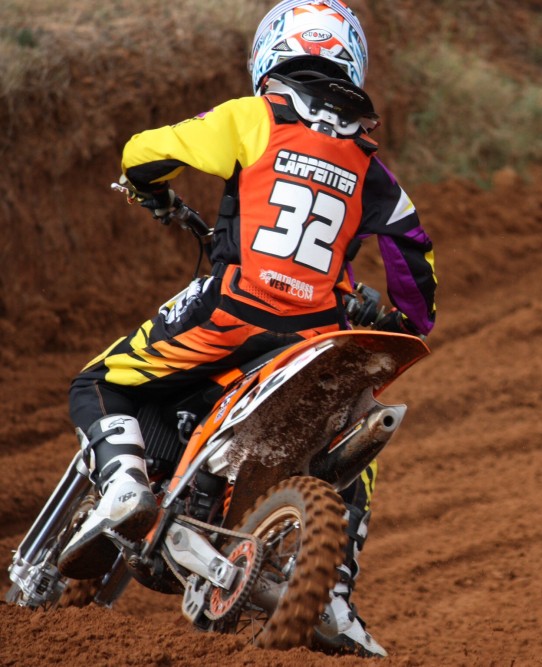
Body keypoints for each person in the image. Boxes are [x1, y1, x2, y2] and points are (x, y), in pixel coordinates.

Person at [57, 0, 436, 657]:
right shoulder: (370, 164)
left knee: (98, 382)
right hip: (316, 337)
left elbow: (147, 152)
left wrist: (148, 187)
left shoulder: (254, 116)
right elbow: (414, 257)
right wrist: (402, 319)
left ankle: (123, 483)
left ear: (270, 53)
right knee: (351, 443)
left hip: (233, 313)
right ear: (352, 59)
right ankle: (335, 594)